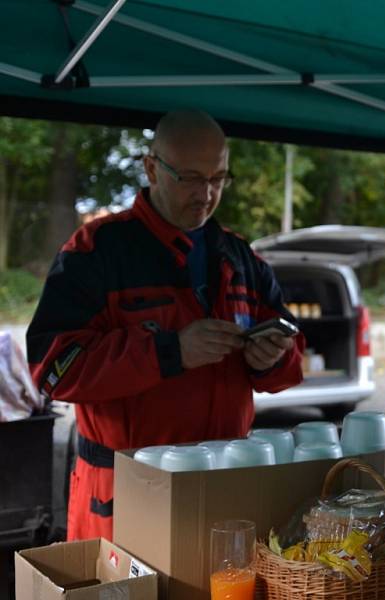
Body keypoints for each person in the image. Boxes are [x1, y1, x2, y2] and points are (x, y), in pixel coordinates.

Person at [26, 110, 305, 541]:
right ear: (151, 168)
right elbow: (53, 369)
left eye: (218, 179)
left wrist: (272, 360)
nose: (206, 194)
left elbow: (290, 356)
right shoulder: (96, 251)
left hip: (225, 488)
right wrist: (169, 352)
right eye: (191, 178)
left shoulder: (242, 259)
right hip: (123, 495)